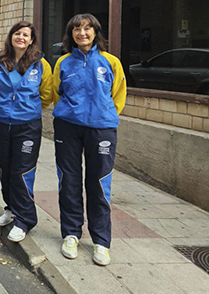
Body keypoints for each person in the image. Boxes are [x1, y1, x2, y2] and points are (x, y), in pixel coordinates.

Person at [52, 13, 126, 266]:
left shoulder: (111, 62)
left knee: (99, 184)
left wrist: (103, 115)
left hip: (101, 129)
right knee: (69, 180)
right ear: (70, 34)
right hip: (67, 128)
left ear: (95, 32)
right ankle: (71, 233)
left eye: (87, 28)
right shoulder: (62, 62)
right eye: (76, 29)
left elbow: (118, 96)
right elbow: (55, 91)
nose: (82, 33)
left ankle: (101, 242)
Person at [0, 21, 53, 244]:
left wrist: (26, 110)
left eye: (26, 35)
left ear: (32, 40)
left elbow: (46, 94)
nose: (21, 37)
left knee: (22, 171)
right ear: (11, 36)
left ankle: (25, 220)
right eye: (17, 33)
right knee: (4, 168)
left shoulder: (41, 64)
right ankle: (11, 209)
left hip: (27, 125)